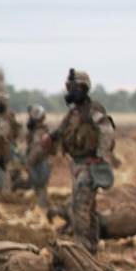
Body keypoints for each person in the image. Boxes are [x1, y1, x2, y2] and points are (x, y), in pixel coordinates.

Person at [44, 69, 116, 253]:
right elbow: (62, 130)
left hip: (88, 165)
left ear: (83, 88)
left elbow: (107, 132)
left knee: (81, 207)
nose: (70, 91)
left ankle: (83, 249)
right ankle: (91, 248)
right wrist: (50, 137)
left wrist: (99, 156)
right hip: (77, 164)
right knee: (88, 208)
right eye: (70, 87)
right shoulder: (74, 113)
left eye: (74, 87)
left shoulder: (93, 110)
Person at [23, 105, 56, 214]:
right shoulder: (42, 131)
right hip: (42, 163)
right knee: (41, 189)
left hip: (40, 164)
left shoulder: (39, 133)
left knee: (40, 190)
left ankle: (44, 212)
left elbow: (36, 150)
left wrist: (28, 163)